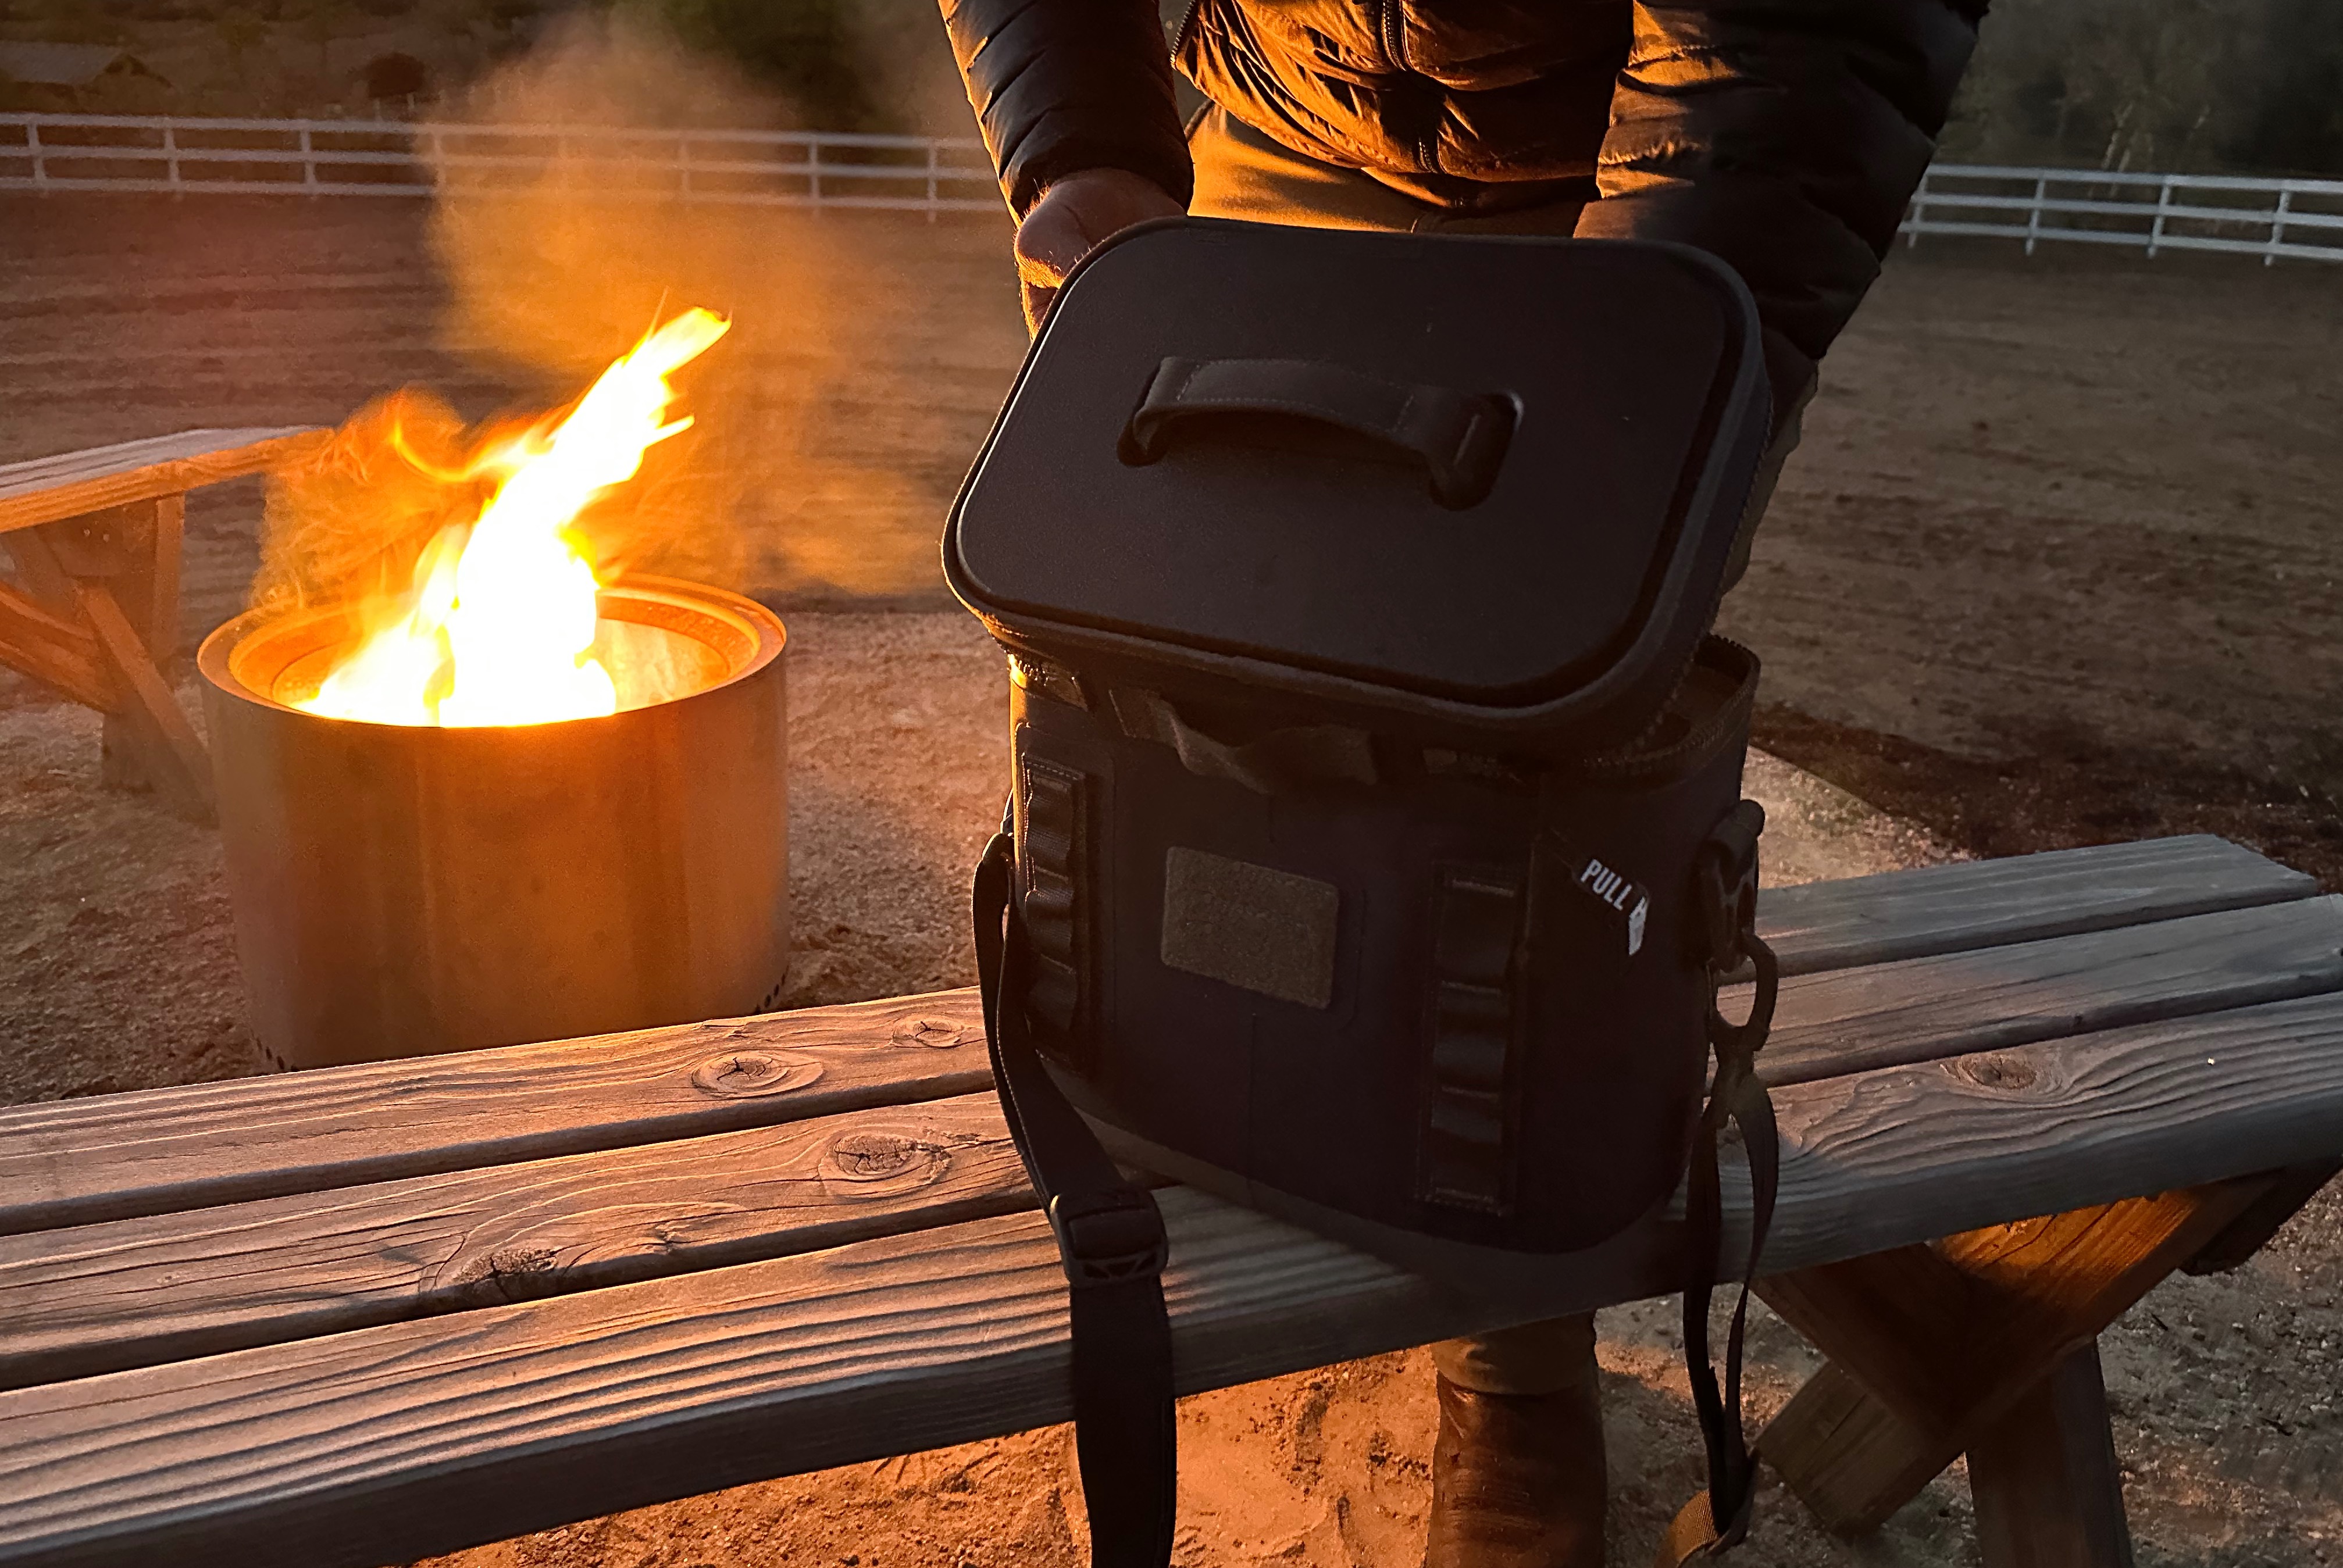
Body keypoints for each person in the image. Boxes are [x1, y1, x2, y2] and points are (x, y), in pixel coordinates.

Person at [933, 2, 1983, 1562]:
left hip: (1659, 145)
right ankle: (1232, 1097)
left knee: (1532, 752)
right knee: (1207, 691)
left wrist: (1641, 370)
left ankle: (1513, 1353)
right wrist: (1079, 146)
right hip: (1284, 119)